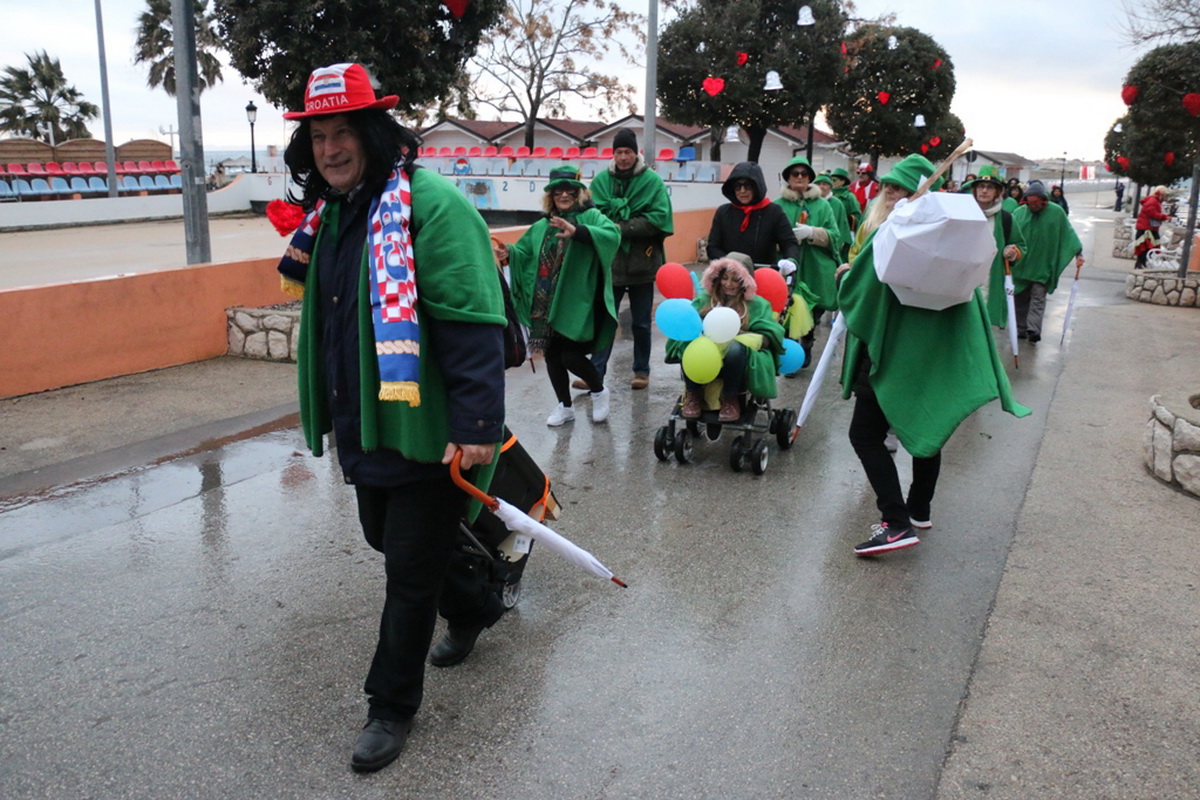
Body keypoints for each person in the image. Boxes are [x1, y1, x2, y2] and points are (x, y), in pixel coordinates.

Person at [277, 63, 508, 772]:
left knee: (407, 572)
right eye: (318, 136)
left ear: (375, 132)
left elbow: (472, 322)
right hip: (367, 423)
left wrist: (476, 426)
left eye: (344, 132)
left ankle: (389, 707)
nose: (331, 149)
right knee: (390, 540)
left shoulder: (428, 206)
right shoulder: (335, 215)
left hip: (428, 426)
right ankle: (475, 602)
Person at [834, 154, 1030, 556]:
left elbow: (859, 296)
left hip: (890, 353)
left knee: (865, 436)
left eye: (898, 188)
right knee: (927, 423)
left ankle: (895, 522)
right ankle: (919, 508)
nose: (889, 194)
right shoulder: (956, 238)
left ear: (914, 195)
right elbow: (968, 296)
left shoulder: (895, 232)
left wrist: (847, 276)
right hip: (930, 354)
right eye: (887, 187)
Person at [501, 165, 621, 426]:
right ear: (551, 196)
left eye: (569, 190)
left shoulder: (591, 216)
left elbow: (613, 235)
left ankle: (599, 391)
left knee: (571, 355)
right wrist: (508, 253)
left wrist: (578, 232)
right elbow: (524, 252)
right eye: (557, 192)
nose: (563, 195)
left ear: (578, 193)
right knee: (553, 356)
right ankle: (565, 406)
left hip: (578, 301)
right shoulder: (543, 224)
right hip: (545, 302)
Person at [584, 128, 674, 392]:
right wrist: (612, 226)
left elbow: (658, 218)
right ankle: (595, 372)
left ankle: (641, 371)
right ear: (613, 154)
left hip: (642, 265)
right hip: (610, 265)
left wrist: (621, 227)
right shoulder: (601, 182)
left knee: (641, 322)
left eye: (628, 152)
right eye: (619, 152)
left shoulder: (651, 182)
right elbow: (591, 215)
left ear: (637, 153)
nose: (623, 157)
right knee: (604, 321)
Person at [665, 254, 785, 422]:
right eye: (725, 278)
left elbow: (768, 335)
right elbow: (686, 326)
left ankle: (730, 399)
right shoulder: (704, 300)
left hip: (737, 360)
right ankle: (693, 394)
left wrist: (738, 334)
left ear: (745, 282)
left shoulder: (757, 304)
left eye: (735, 280)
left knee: (734, 349)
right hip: (702, 359)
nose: (728, 284)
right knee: (687, 344)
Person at [775, 157, 841, 362]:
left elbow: (836, 236)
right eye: (795, 174)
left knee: (812, 310)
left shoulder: (823, 205)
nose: (800, 177)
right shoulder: (777, 205)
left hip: (815, 268)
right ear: (788, 178)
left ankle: (808, 343)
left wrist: (812, 232)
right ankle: (790, 354)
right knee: (786, 308)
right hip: (788, 265)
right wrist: (782, 241)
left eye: (804, 174)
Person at [1011, 181, 1083, 342]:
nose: (1033, 206)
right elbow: (1010, 235)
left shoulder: (1056, 213)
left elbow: (1068, 234)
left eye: (1037, 203)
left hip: (1043, 266)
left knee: (1038, 298)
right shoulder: (1018, 213)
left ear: (1044, 201)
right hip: (1021, 267)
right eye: (1030, 203)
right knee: (1020, 300)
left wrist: (1079, 253)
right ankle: (1020, 328)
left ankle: (1033, 329)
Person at [964, 165, 1025, 330]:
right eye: (981, 187)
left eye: (990, 187)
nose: (984, 191)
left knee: (982, 327)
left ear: (998, 192)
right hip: (962, 280)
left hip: (989, 283)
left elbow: (1021, 246)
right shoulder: (962, 213)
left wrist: (1012, 252)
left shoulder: (1006, 219)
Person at [705, 161, 800, 266]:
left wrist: (790, 260)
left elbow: (789, 243)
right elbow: (713, 247)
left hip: (762, 274)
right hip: (730, 275)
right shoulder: (723, 212)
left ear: (757, 186)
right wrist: (732, 264)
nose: (742, 191)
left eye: (747, 186)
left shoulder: (773, 212)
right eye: (738, 186)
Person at [828, 167, 862, 260]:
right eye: (830, 180)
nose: (832, 182)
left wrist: (848, 220)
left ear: (843, 181)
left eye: (834, 180)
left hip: (844, 233)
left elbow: (858, 217)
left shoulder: (850, 197)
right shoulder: (828, 196)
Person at [1134, 185, 1170, 269]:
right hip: (1147, 229)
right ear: (1161, 194)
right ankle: (1141, 265)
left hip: (1146, 228)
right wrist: (1164, 217)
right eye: (1164, 195)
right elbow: (1152, 214)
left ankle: (1141, 264)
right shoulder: (1153, 201)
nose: (1165, 197)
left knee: (1145, 248)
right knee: (1146, 248)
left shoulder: (1153, 201)